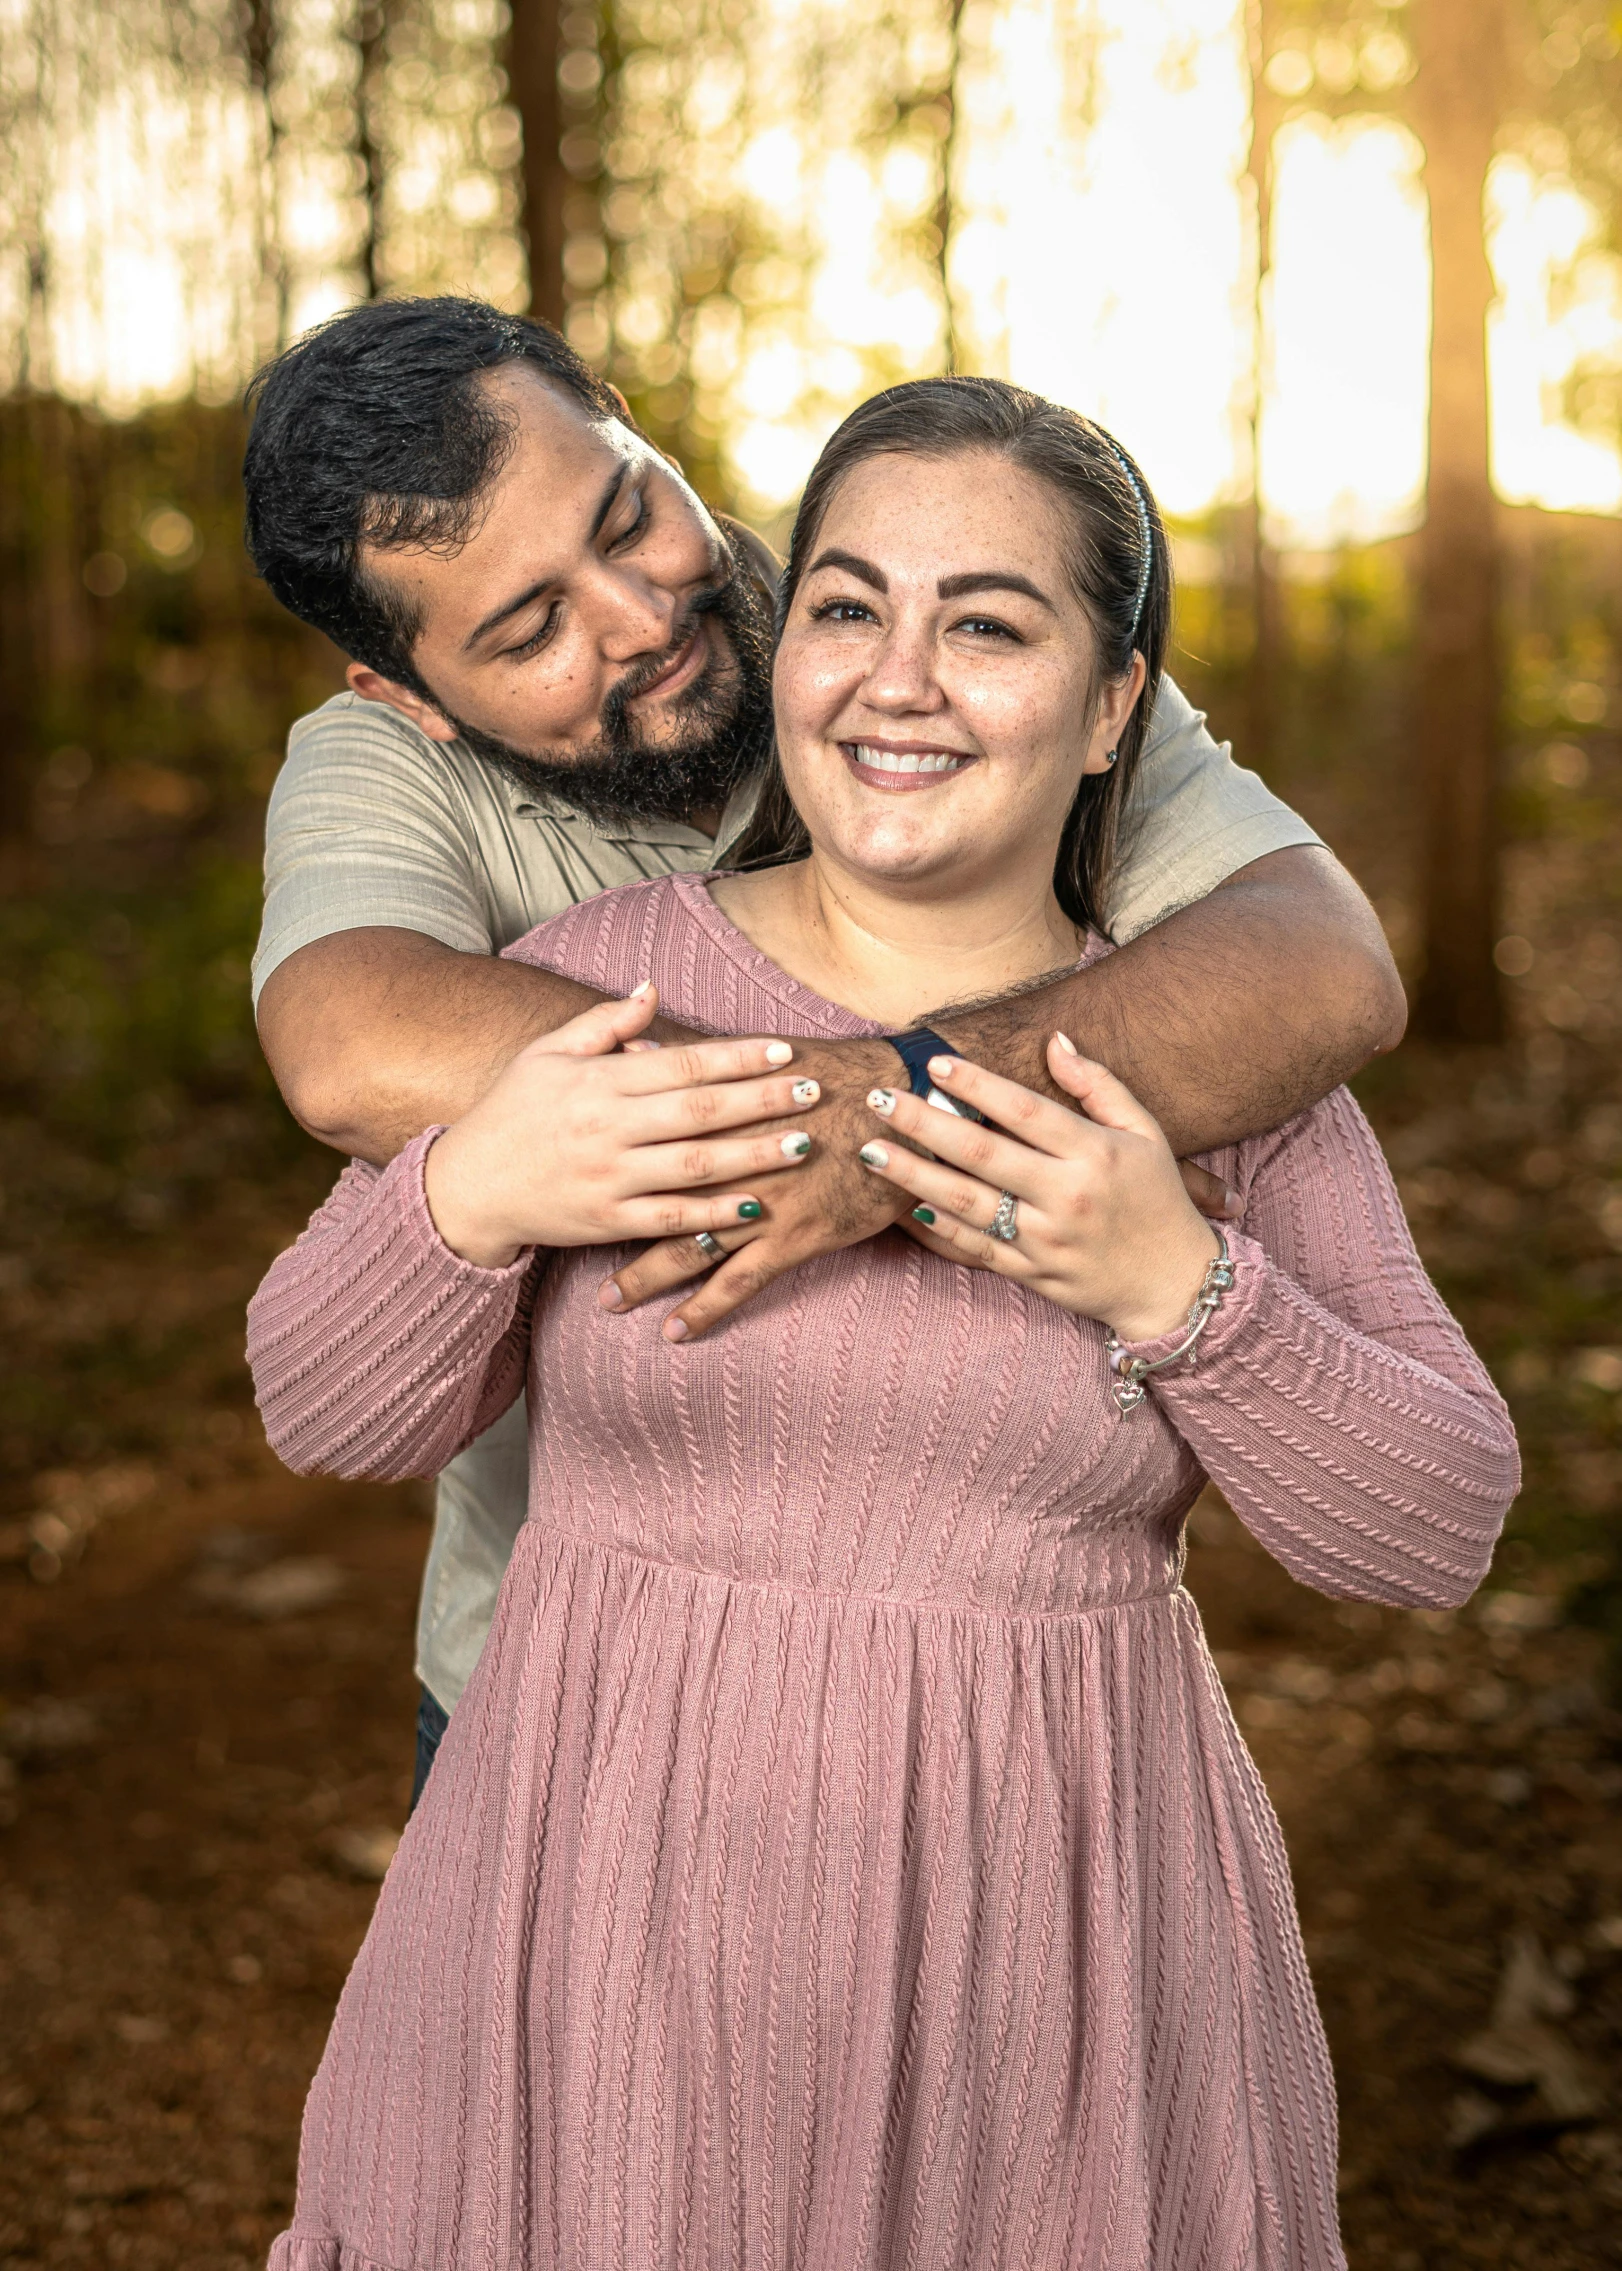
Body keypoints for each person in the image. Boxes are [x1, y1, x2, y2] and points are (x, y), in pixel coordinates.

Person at [247, 377, 1518, 2269]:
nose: (896, 680)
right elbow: (321, 1406)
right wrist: (472, 1193)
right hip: (597, 1899)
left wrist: (1185, 1293)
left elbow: (1435, 1524)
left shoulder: (1200, 1059)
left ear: (1116, 713)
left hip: (1049, 1951)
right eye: (848, 610)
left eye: (986, 625)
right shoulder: (587, 993)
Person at [242, 298, 1407, 1800]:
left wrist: (894, 1115)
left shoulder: (933, 612)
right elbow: (353, 1049)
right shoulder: (377, 768)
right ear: (408, 697)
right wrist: (889, 1113)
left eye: (626, 514)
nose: (643, 614)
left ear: (638, 427)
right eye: (530, 627)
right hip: (571, 1697)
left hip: (1004, 1732)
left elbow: (1319, 963)